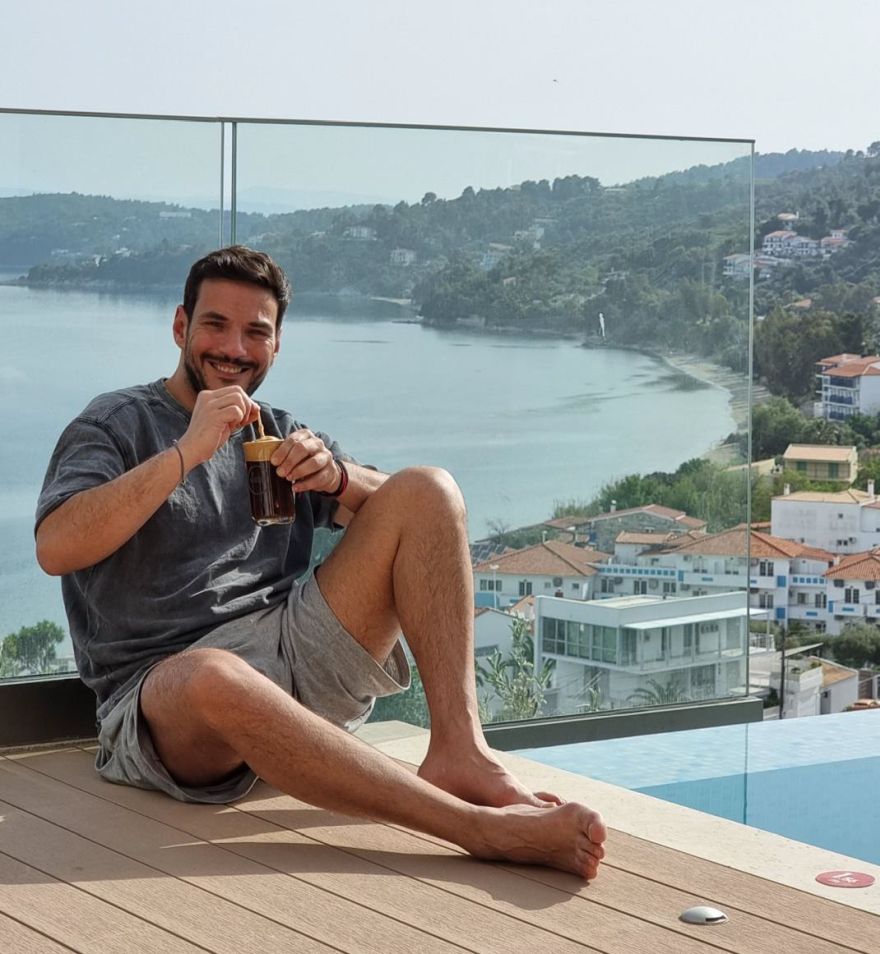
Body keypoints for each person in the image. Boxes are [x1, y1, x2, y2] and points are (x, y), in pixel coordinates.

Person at [35, 246, 607, 879]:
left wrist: (337, 478)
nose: (234, 348)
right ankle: (476, 828)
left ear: (276, 345)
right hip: (167, 695)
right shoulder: (116, 423)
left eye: (256, 332)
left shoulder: (278, 431)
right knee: (213, 676)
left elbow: (412, 517)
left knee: (430, 489)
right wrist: (186, 452)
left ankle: (461, 750)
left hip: (293, 648)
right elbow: (56, 546)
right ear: (180, 327)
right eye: (216, 325)